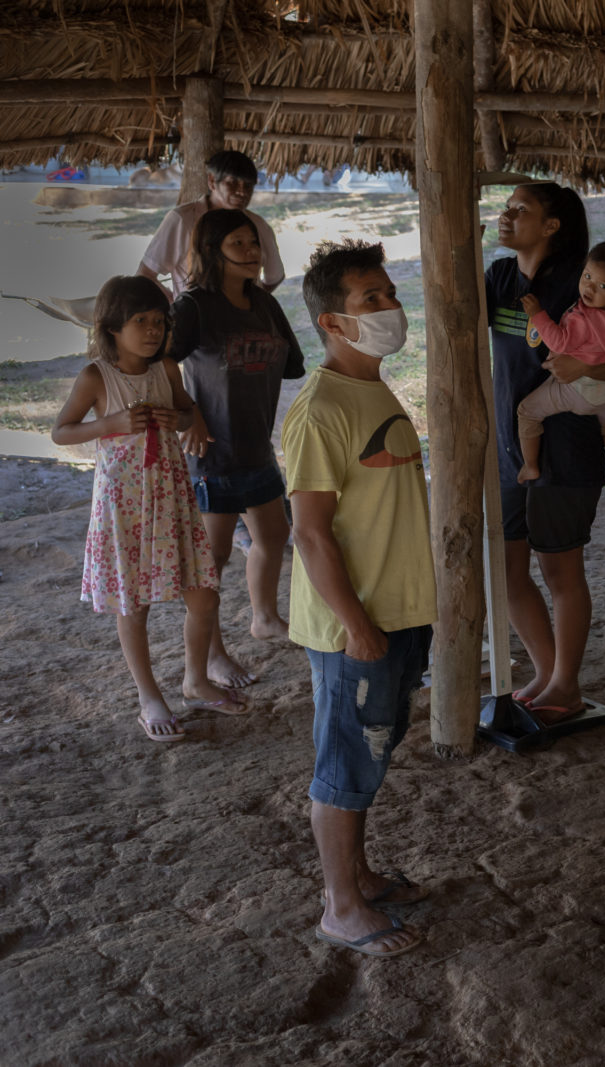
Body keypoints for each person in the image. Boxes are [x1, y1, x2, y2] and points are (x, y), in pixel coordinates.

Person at [286, 239, 435, 958]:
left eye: (389, 293)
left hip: (396, 612)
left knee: (372, 749)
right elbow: (310, 535)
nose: (390, 307)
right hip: (359, 624)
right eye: (369, 299)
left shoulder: (371, 389)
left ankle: (360, 876)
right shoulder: (320, 409)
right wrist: (355, 623)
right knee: (344, 764)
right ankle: (339, 907)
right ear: (331, 323)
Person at [50, 275, 246, 742]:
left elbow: (185, 412)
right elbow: (61, 432)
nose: (153, 330)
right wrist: (112, 423)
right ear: (112, 327)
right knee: (132, 605)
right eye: (141, 321)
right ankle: (148, 695)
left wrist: (177, 418)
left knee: (204, 594)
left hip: (172, 501)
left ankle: (196, 679)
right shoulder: (97, 377)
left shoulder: (166, 370)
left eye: (160, 321)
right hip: (126, 508)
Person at [488, 183, 605, 727]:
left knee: (560, 571)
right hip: (509, 445)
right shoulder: (500, 278)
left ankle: (567, 685)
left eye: (520, 210)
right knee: (508, 570)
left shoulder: (578, 283)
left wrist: (592, 367)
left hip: (567, 448)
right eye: (506, 208)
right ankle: (545, 671)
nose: (506, 216)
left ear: (552, 226)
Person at [172, 208, 305, 688]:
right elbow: (160, 362)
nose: (253, 253)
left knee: (272, 537)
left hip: (256, 447)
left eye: (255, 243)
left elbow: (293, 365)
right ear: (212, 251)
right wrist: (190, 411)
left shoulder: (264, 304)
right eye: (239, 244)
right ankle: (211, 656)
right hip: (212, 454)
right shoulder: (195, 307)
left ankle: (264, 617)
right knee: (213, 560)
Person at [515, 240, 605, 492]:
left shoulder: (584, 319)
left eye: (602, 285)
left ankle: (530, 465)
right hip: (602, 386)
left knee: (526, 412)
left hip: (576, 389)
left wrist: (538, 314)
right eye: (587, 276)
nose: (589, 288)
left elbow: (560, 342)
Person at [138, 151, 285, 298]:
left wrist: (250, 303)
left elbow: (274, 277)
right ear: (212, 181)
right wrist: (175, 308)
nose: (241, 191)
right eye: (232, 183)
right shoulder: (183, 220)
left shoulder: (258, 225)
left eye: (248, 185)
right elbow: (146, 274)